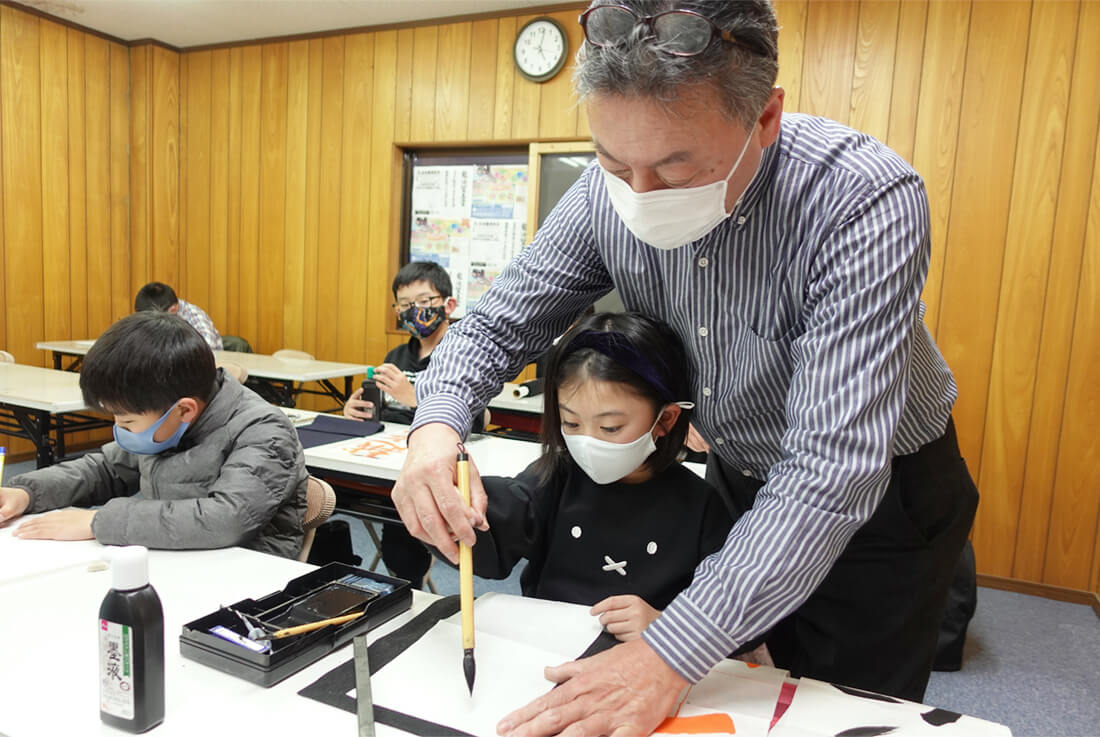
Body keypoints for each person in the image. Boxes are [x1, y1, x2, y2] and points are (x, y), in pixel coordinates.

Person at [391, 1, 979, 734]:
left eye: (675, 167)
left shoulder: (859, 198)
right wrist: (433, 430)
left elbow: (831, 469)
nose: (638, 193)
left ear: (764, 120)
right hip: (741, 471)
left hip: (887, 494)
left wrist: (669, 652)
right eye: (612, 162)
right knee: (736, 692)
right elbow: (500, 319)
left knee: (835, 707)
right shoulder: (604, 199)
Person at [468, 312, 733, 639]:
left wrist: (668, 625)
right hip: (547, 651)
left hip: (646, 665)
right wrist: (455, 503)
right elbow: (499, 526)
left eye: (610, 427)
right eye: (571, 424)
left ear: (665, 420)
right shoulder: (557, 476)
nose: (588, 442)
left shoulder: (700, 505)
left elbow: (730, 608)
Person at [0, 311, 307, 558]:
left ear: (184, 410)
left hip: (246, 578)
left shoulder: (263, 430)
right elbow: (106, 469)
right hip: (173, 558)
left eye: (128, 422)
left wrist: (99, 522)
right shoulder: (167, 421)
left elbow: (225, 519)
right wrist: (28, 493)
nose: (120, 430)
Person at [342, 261, 486, 587]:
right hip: (384, 457)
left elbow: (478, 422)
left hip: (433, 463)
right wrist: (356, 408)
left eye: (424, 302)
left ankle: (410, 584)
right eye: (406, 306)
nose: (415, 311)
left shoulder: (463, 356)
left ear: (447, 304)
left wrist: (415, 398)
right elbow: (382, 410)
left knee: (404, 539)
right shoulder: (397, 355)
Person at [134, 281, 223, 350]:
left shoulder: (194, 316)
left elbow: (209, 346)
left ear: (173, 310)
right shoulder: (150, 312)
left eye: (151, 320)